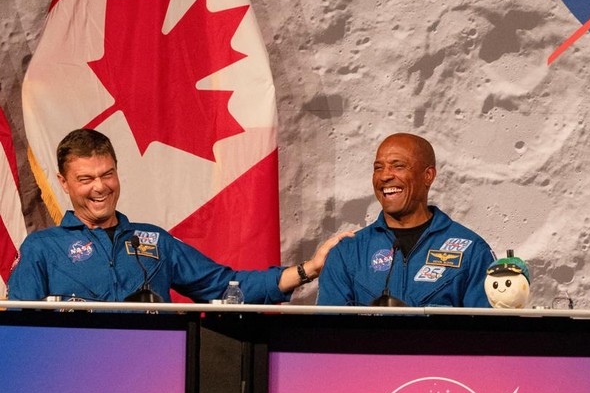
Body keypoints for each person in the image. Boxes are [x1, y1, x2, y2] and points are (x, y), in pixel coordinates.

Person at [8, 128, 352, 303]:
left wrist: (310, 268)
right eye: (86, 179)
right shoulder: (42, 248)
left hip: (153, 380)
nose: (100, 187)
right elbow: (19, 334)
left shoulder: (154, 241)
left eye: (107, 174)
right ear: (64, 183)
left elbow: (226, 287)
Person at [317, 133, 496, 307]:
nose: (385, 176)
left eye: (398, 166)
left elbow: (487, 334)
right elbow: (330, 332)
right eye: (378, 168)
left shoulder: (471, 251)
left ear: (428, 176)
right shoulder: (348, 252)